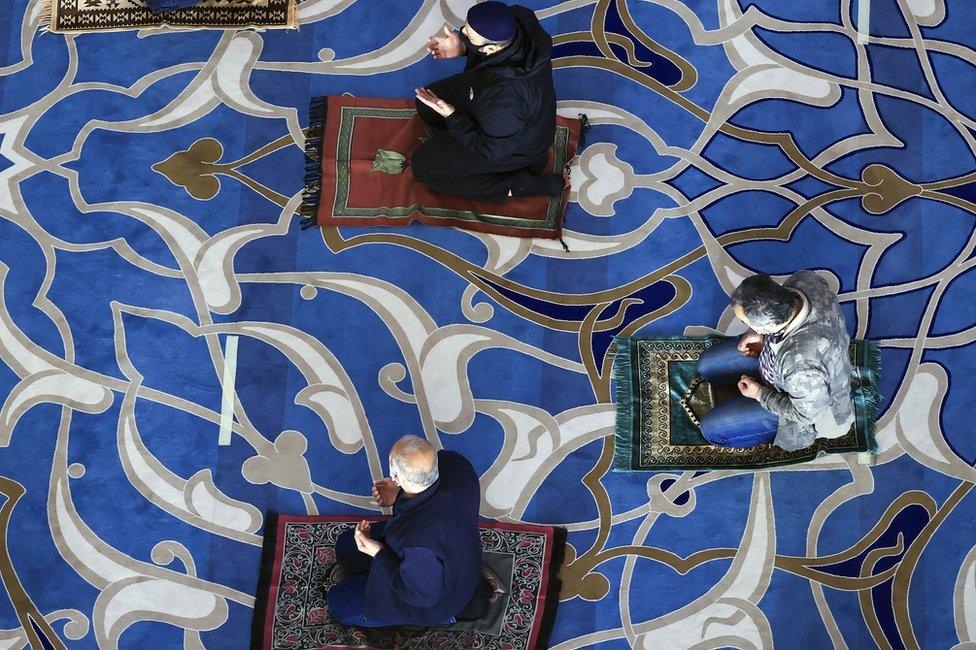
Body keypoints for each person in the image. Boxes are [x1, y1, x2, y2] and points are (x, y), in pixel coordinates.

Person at [411, 2, 567, 202]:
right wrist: (464, 48)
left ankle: (517, 185)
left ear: (491, 48)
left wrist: (453, 116)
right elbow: (494, 53)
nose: (461, 35)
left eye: (468, 36)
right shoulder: (519, 20)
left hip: (510, 147)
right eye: (465, 29)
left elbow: (492, 151)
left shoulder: (504, 101)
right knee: (425, 106)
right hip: (495, 98)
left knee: (422, 167)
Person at [327, 436, 483, 628]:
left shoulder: (419, 539)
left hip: (430, 595)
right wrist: (400, 495)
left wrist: (378, 552)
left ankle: (450, 615)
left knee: (336, 601)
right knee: (345, 546)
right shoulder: (455, 463)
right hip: (452, 547)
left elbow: (421, 596)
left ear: (396, 478)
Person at [695, 271, 854, 451]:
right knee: (706, 366)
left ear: (768, 325)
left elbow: (807, 415)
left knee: (711, 430)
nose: (743, 324)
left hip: (803, 405)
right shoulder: (804, 280)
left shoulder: (799, 366)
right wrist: (762, 338)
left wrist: (760, 394)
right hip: (782, 364)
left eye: (746, 322)